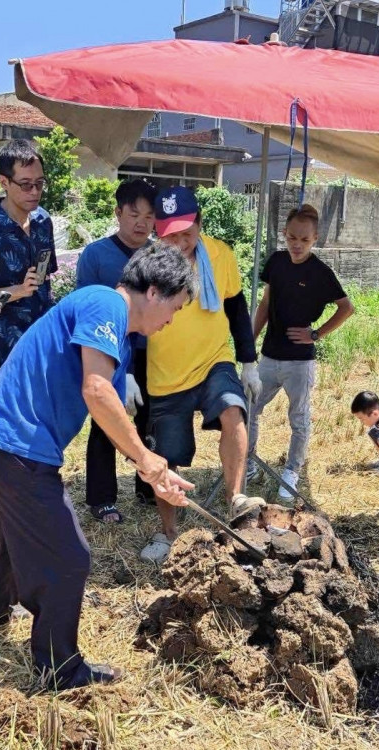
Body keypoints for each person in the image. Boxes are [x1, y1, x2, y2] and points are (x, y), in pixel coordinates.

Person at [0, 244, 196, 691]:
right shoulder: (105, 302)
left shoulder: (115, 328)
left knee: (19, 539)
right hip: (15, 448)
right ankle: (60, 669)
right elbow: (97, 391)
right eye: (175, 308)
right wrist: (147, 459)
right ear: (153, 292)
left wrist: (155, 472)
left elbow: (105, 411)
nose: (172, 320)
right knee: (69, 557)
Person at [142, 186, 261, 563]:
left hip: (214, 358)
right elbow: (131, 322)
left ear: (199, 222)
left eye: (186, 230)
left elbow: (237, 308)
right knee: (166, 455)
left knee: (233, 410)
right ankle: (167, 533)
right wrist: (126, 374)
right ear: (158, 232)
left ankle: (236, 501)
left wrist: (250, 360)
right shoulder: (148, 264)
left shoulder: (220, 254)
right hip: (166, 373)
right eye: (170, 234)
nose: (180, 240)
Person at [246, 204, 353, 500]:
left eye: (304, 240)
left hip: (300, 362)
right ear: (284, 234)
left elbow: (347, 308)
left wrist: (315, 334)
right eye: (292, 237)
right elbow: (266, 304)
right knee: (249, 408)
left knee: (299, 418)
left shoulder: (320, 272)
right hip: (269, 355)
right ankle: (248, 461)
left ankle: (292, 470)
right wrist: (249, 344)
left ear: (315, 239)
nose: (296, 244)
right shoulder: (277, 261)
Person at [76, 179, 158, 523]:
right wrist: (117, 368)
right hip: (108, 353)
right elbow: (85, 308)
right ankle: (102, 496)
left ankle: (147, 486)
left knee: (150, 417)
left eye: (149, 216)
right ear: (118, 213)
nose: (141, 223)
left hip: (152, 353)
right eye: (134, 213)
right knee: (107, 420)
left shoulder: (159, 254)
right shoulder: (95, 255)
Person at [0, 140, 56, 392]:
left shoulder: (42, 220)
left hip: (42, 343)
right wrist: (18, 290)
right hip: (2, 351)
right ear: (4, 182)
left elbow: (46, 277)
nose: (35, 191)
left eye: (40, 184)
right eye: (26, 185)